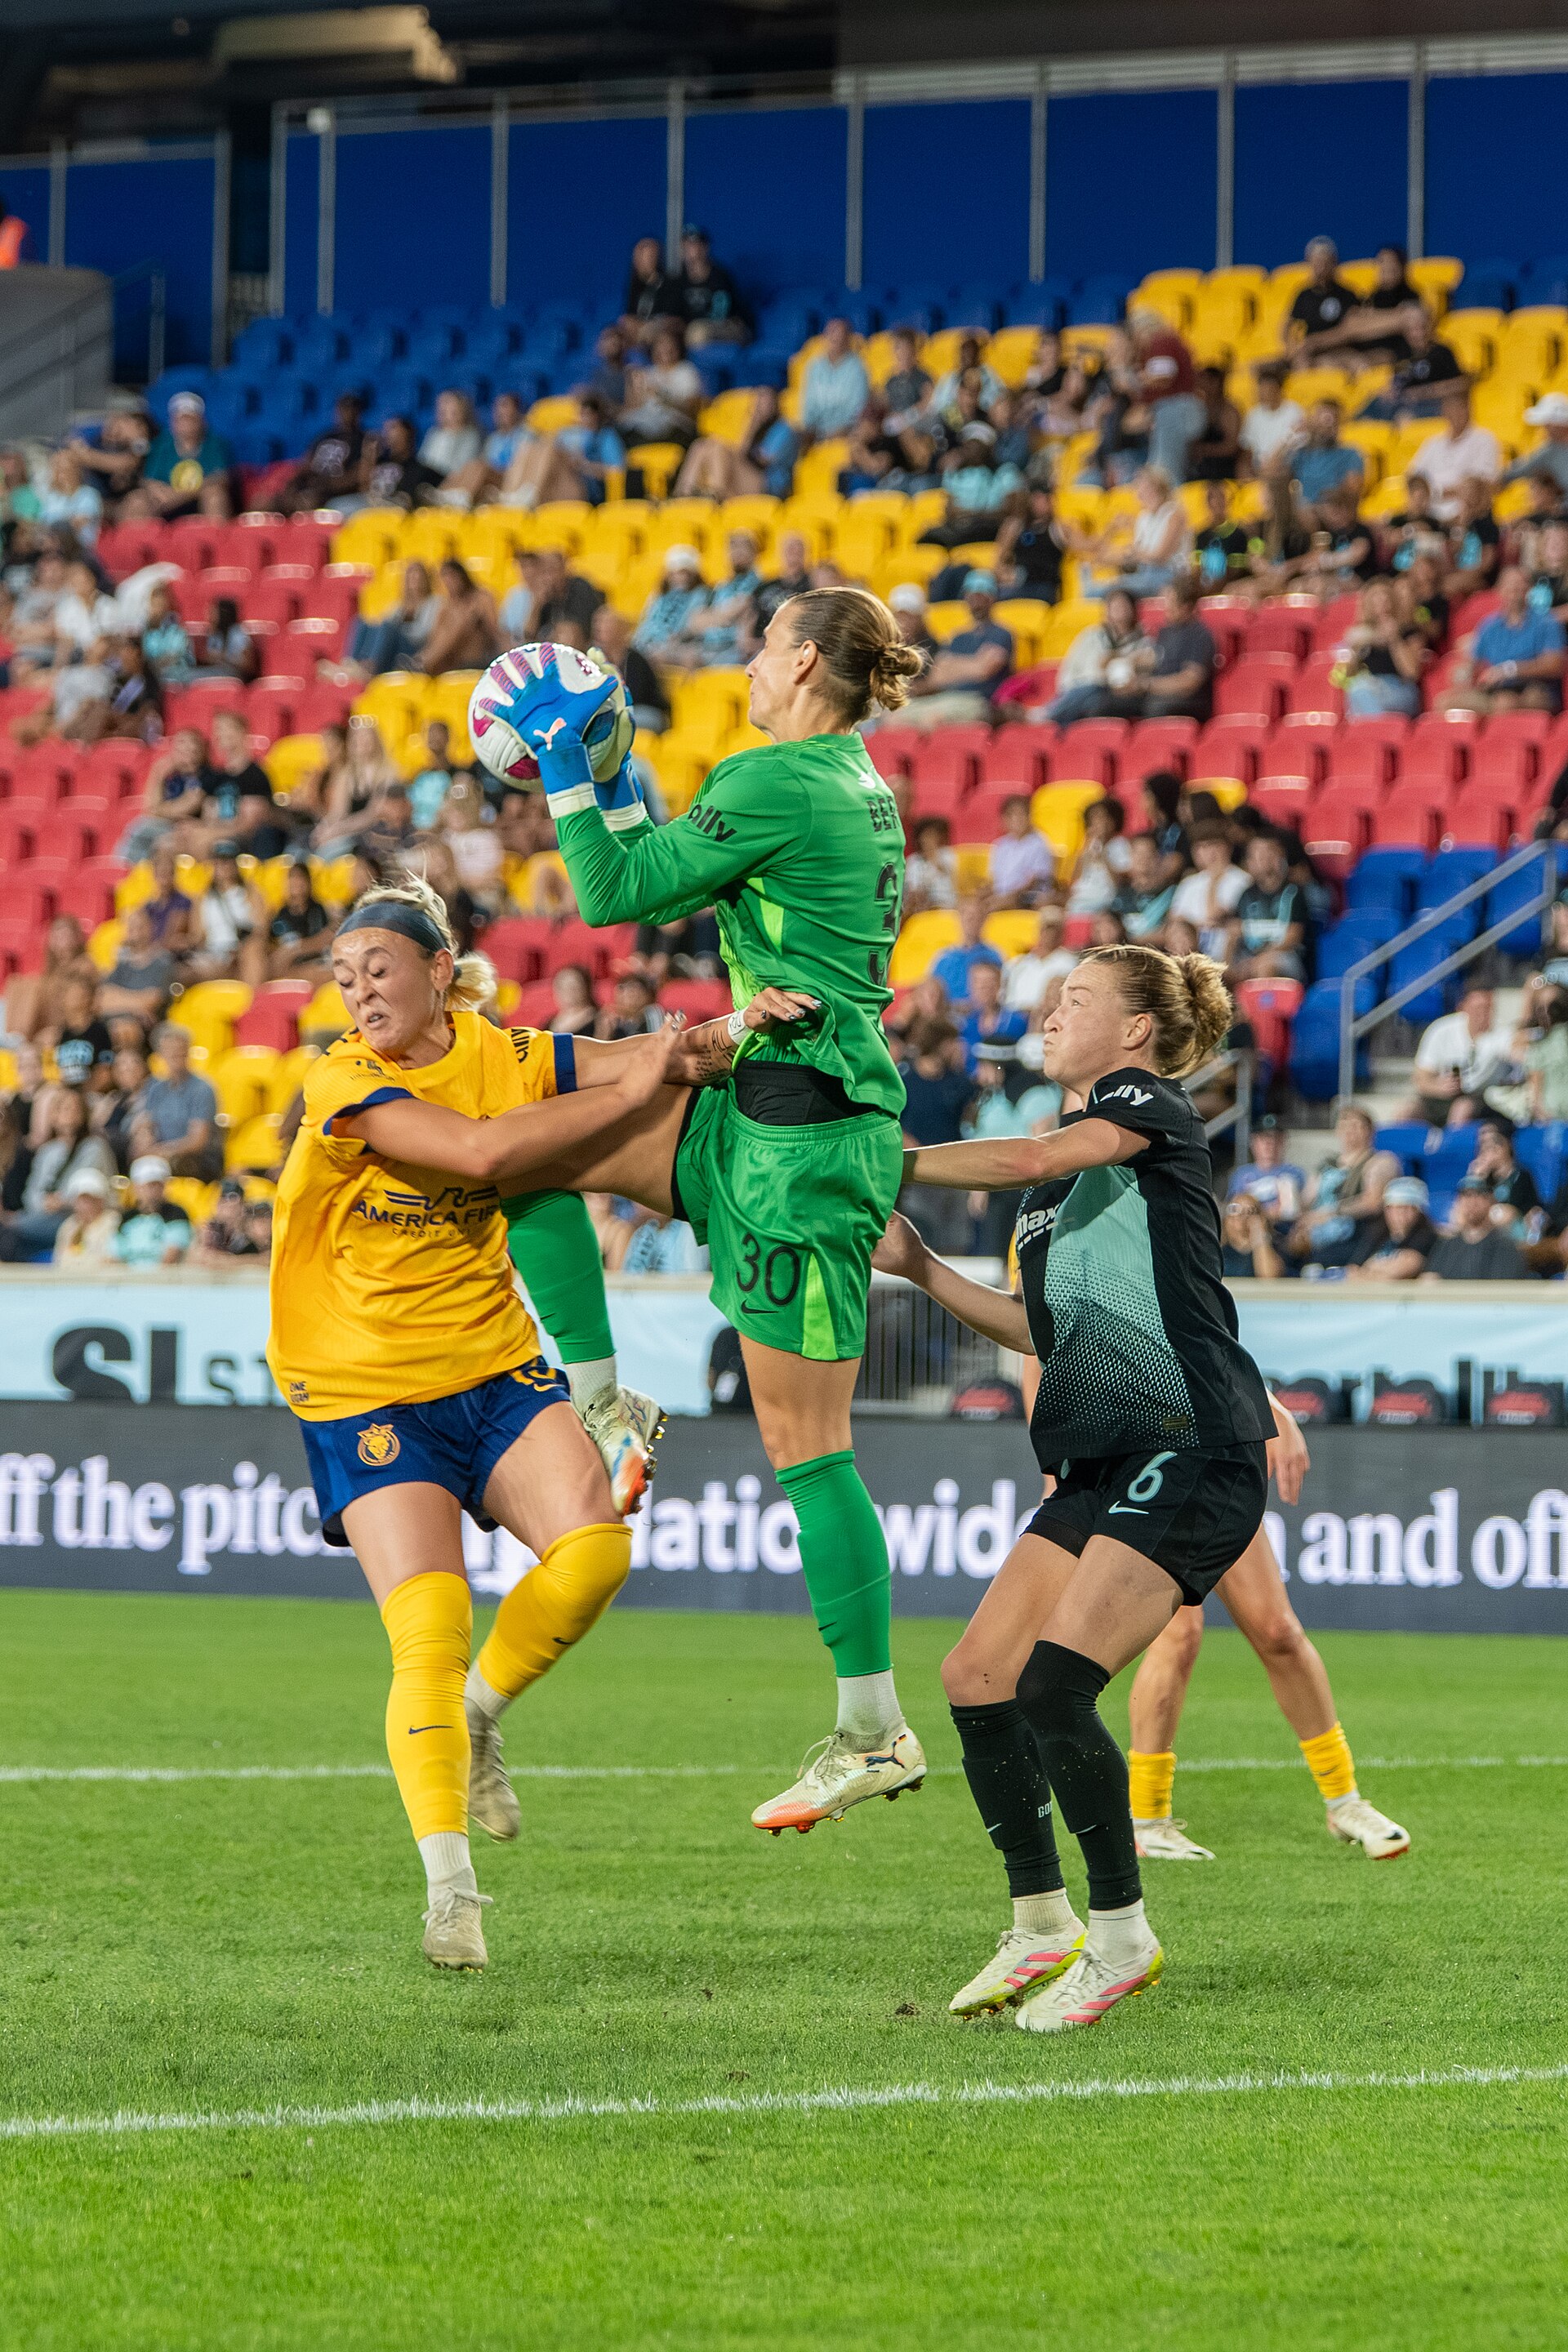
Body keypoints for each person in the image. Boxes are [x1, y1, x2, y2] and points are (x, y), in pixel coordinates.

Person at [489, 587, 933, 1834]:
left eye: (758, 642)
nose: (743, 660)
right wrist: (619, 776)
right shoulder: (833, 777)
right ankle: (601, 1401)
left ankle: (871, 1729)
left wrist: (572, 769)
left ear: (799, 659)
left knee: (811, 1452)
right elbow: (670, 872)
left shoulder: (782, 778)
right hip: (757, 1108)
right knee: (531, 1153)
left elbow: (611, 897)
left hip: (799, 1143)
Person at [264, 875, 698, 1967]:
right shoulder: (340, 1080)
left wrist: (737, 1027)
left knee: (598, 1551)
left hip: (493, 1370)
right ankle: (450, 1892)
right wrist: (640, 1071)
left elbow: (647, 1054)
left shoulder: (504, 1054)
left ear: (439, 973)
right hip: (363, 1387)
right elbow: (485, 1159)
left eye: (380, 968)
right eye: (345, 974)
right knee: (429, 1625)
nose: (359, 990)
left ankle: (483, 1713)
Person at [878, 942, 1273, 2031]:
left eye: (1078, 999)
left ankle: (1120, 1937)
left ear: (1137, 1031)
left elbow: (1023, 1158)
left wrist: (892, 1159)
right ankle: (1041, 1922)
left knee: (1054, 1687)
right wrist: (922, 1269)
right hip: (1102, 1457)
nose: (1053, 1014)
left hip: (1191, 1443)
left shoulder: (1142, 1105)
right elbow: (1036, 1327)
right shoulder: (1056, 1199)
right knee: (975, 1676)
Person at [1126, 1412, 1410, 1861]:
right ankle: (1148, 1819)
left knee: (1278, 1632)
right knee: (1179, 1633)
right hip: (1140, 1461)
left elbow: (1213, 1346)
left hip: (1211, 1457)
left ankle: (1344, 1803)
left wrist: (1274, 1411)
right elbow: (1036, 1355)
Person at [0, 1085, 116, 1259]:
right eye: (62, 1108)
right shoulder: (47, 1151)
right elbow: (30, 1193)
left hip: (75, 1217)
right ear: (53, 1115)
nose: (68, 1114)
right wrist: (44, 1204)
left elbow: (91, 1189)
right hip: (41, 1217)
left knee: (9, 1233)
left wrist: (61, 1201)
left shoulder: (95, 1147)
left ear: (83, 1114)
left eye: (73, 1109)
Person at [1437, 564, 1566, 718]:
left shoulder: (1547, 623)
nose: (1514, 591)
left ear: (1529, 589)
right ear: (1500, 590)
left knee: (1506, 703)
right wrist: (1463, 676)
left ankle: (1502, 739)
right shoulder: (1490, 626)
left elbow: (1555, 664)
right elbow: (1471, 663)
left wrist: (1510, 670)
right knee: (1444, 702)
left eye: (1519, 585)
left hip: (1536, 688)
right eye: (1509, 586)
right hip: (1496, 691)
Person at [1286, 1102, 1399, 1271]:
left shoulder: (1379, 1161)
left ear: (1370, 1131)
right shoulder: (1326, 1166)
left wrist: (1331, 1213)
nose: (1350, 1131)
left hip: (1353, 1232)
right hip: (1317, 1230)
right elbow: (1307, 1201)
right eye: (1344, 1125)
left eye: (1356, 1125)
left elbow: (1372, 1202)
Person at [1405, 984, 1519, 1125]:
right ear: (1463, 1008)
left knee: (1462, 1109)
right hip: (1441, 1098)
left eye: (1488, 1008)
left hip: (1483, 1099)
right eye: (1478, 1008)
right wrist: (1439, 1087)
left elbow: (1515, 1047)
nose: (1484, 1014)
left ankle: (1452, 1145)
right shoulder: (1441, 1030)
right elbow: (1421, 1078)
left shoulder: (1501, 1033)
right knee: (1406, 1111)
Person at [131, 1021, 221, 1180]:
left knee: (168, 1165)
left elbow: (198, 1140)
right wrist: (143, 1141)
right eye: (172, 1053)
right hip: (162, 1153)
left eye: (182, 1053)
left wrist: (161, 1151)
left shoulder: (202, 1089)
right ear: (161, 1055)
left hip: (195, 1159)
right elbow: (147, 1124)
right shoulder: (155, 1087)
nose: (177, 1057)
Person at [127, 391, 232, 520]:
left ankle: (215, 537)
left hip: (197, 500)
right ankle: (141, 539)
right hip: (165, 501)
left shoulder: (214, 443)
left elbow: (219, 478)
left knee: (215, 496)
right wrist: (162, 494)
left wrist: (181, 496)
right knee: (137, 500)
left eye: (190, 418)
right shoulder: (161, 445)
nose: (185, 424)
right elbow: (149, 480)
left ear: (201, 421)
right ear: (172, 422)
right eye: (181, 419)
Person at [1406, 385, 1500, 523]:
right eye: (1451, 407)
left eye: (1461, 407)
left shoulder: (1484, 440)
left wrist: (1432, 493)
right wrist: (1428, 494)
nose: (1457, 413)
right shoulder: (1433, 443)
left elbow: (1479, 486)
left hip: (1465, 516)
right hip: (1428, 516)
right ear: (1444, 411)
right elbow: (1413, 478)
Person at [1339, 575, 1428, 716]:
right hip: (1373, 686)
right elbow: (1348, 674)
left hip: (1401, 689)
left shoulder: (1408, 631)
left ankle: (1377, 732)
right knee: (1357, 689)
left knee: (1361, 691)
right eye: (1376, 596)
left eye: (1385, 595)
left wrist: (1394, 639)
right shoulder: (1364, 634)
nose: (1382, 601)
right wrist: (1357, 650)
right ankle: (1376, 731)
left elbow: (1412, 673)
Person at [1228, 833, 1309, 982]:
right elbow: (1233, 933)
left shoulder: (1293, 892)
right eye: (1256, 854)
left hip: (1285, 956)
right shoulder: (1246, 895)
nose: (1261, 859)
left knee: (1265, 967)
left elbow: (1293, 936)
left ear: (1279, 857)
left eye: (1267, 852)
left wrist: (1257, 960)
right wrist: (1226, 966)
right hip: (1248, 957)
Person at [1422, 1178, 1531, 1281]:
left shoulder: (1504, 1246)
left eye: (1479, 1195)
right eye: (1466, 1196)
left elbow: (1502, 1289)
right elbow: (1430, 1279)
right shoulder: (1447, 1245)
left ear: (1491, 1201)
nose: (1472, 1202)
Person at [1343, 1174, 1438, 1281]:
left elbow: (1403, 1269)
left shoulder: (1426, 1237)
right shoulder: (1376, 1233)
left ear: (1419, 1211)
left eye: (1407, 1208)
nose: (1401, 1214)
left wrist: (1371, 1268)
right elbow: (1352, 1270)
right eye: (1395, 1208)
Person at [283, 393, 368, 513]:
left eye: (351, 409)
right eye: (343, 409)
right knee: (270, 503)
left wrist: (326, 485)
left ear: (359, 412)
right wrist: (295, 483)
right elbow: (306, 465)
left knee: (309, 502)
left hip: (335, 492)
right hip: (313, 485)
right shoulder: (325, 437)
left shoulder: (364, 439)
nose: (346, 413)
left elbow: (358, 475)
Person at [671, 224, 752, 348]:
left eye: (695, 245)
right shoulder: (679, 280)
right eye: (686, 245)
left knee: (697, 333)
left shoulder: (719, 276)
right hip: (694, 330)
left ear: (705, 248)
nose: (691, 250)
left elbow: (720, 315)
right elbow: (676, 314)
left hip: (731, 326)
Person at [798, 318, 871, 446]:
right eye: (831, 333)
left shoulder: (858, 369)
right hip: (815, 433)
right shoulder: (814, 367)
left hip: (845, 432)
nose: (835, 338)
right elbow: (809, 409)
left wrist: (832, 433)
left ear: (847, 339)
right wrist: (811, 431)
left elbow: (857, 411)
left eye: (839, 335)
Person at [114, 1153, 193, 1265]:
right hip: (128, 1279)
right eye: (149, 1186)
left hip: (160, 1279)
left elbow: (170, 1258)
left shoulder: (176, 1214)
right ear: (136, 1187)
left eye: (159, 1185)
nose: (154, 1191)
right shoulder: (127, 1217)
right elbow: (114, 1256)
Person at [1226, 1115, 1305, 1227]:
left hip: (1282, 1230)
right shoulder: (1241, 1174)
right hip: (1246, 1230)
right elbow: (1234, 1208)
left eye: (1275, 1139)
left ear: (1283, 1142)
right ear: (1253, 1142)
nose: (1270, 1144)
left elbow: (1292, 1211)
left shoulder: (1295, 1173)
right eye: (1264, 1139)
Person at [987, 795, 1055, 910]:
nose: (1017, 819)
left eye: (1021, 814)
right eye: (1012, 815)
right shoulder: (1000, 845)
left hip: (1028, 897)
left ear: (1029, 817)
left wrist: (1010, 896)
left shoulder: (1038, 843)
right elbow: (995, 881)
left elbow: (1034, 881)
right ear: (1004, 820)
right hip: (1003, 896)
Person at [51, 1165, 120, 1266]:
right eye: (81, 1199)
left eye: (90, 1199)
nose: (85, 1205)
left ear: (101, 1200)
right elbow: (58, 1261)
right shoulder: (68, 1226)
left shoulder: (113, 1222)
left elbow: (110, 1260)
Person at [1219, 1192, 1285, 1277]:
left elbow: (1269, 1278)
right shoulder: (1220, 1252)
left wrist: (1259, 1235)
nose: (1243, 1216)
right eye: (1234, 1209)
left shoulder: (1274, 1247)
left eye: (1250, 1211)